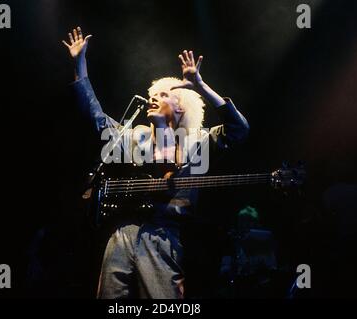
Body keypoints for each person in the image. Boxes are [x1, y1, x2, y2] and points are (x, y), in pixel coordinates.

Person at [62, 25, 249, 298]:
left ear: (180, 107)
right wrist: (80, 63)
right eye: (153, 94)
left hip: (163, 234)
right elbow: (95, 117)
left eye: (163, 95)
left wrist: (200, 85)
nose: (153, 97)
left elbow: (239, 130)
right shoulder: (135, 136)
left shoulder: (196, 141)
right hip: (121, 233)